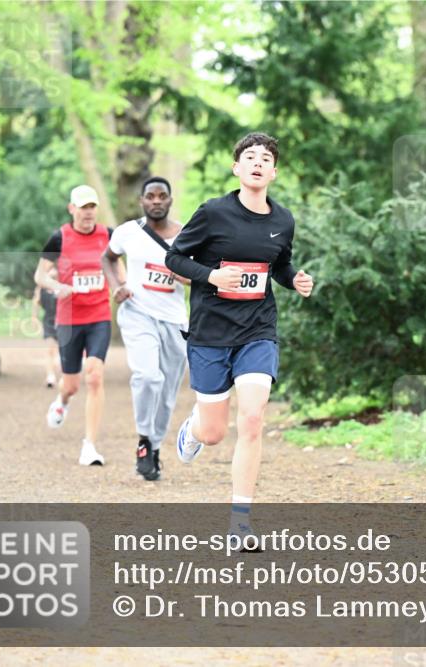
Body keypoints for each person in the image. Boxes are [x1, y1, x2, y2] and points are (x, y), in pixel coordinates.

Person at [165, 132, 314, 544]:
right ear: (236, 167)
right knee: (213, 432)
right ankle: (192, 430)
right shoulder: (213, 213)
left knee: (251, 418)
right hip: (211, 332)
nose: (257, 162)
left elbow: (279, 265)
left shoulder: (283, 220)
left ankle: (240, 521)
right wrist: (211, 275)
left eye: (265, 158)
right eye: (250, 156)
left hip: (257, 331)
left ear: (274, 172)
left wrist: (294, 279)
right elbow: (173, 258)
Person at [100, 177, 189, 482]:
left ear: (170, 200)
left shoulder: (187, 235)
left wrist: (184, 275)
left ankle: (154, 446)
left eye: (161, 196)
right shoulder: (128, 232)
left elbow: (199, 276)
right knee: (148, 376)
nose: (156, 201)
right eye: (150, 196)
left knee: (167, 392)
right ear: (141, 201)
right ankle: (143, 440)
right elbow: (107, 258)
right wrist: (117, 287)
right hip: (138, 313)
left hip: (175, 320)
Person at [33, 184, 117, 467]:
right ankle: (62, 401)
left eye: (92, 207)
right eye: (83, 207)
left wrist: (122, 286)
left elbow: (118, 267)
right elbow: (39, 276)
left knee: (94, 375)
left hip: (99, 316)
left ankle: (89, 446)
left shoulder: (108, 235)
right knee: (71, 384)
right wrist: (57, 286)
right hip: (69, 321)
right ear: (72, 209)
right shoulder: (59, 238)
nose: (88, 213)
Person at [33, 267, 61, 388]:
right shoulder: (41, 289)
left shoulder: (62, 288)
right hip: (49, 321)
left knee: (63, 351)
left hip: (63, 322)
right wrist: (34, 317)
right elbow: (36, 302)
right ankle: (50, 376)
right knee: (50, 349)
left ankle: (66, 376)